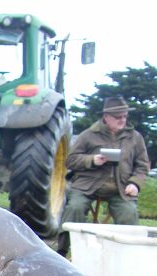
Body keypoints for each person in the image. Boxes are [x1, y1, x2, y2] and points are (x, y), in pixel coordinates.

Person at [57, 96, 151, 256]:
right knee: (75, 208)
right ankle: (62, 250)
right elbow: (70, 161)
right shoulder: (88, 135)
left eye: (125, 116)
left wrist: (135, 183)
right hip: (87, 186)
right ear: (106, 117)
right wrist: (92, 160)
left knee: (128, 212)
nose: (122, 120)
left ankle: (128, 254)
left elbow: (143, 165)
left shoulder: (135, 138)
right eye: (118, 117)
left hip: (120, 189)